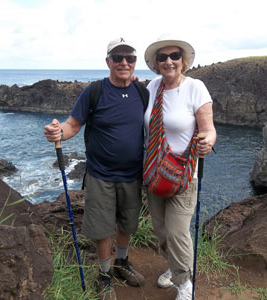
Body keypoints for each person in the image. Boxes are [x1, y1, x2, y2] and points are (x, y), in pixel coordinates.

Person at [43, 37, 147, 300]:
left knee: (127, 222)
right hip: (101, 174)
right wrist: (58, 132)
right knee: (101, 228)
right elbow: (73, 125)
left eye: (130, 58)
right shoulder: (94, 91)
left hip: (133, 173)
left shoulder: (142, 92)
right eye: (118, 58)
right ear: (108, 62)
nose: (124, 62)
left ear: (135, 63)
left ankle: (121, 263)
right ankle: (104, 275)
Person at [143, 34, 217, 300]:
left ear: (183, 60)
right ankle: (173, 268)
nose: (169, 61)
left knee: (177, 233)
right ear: (156, 62)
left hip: (184, 174)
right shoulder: (152, 87)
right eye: (162, 57)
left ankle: (185, 283)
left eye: (174, 56)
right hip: (155, 172)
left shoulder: (196, 87)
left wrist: (207, 142)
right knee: (161, 230)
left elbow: (208, 129)